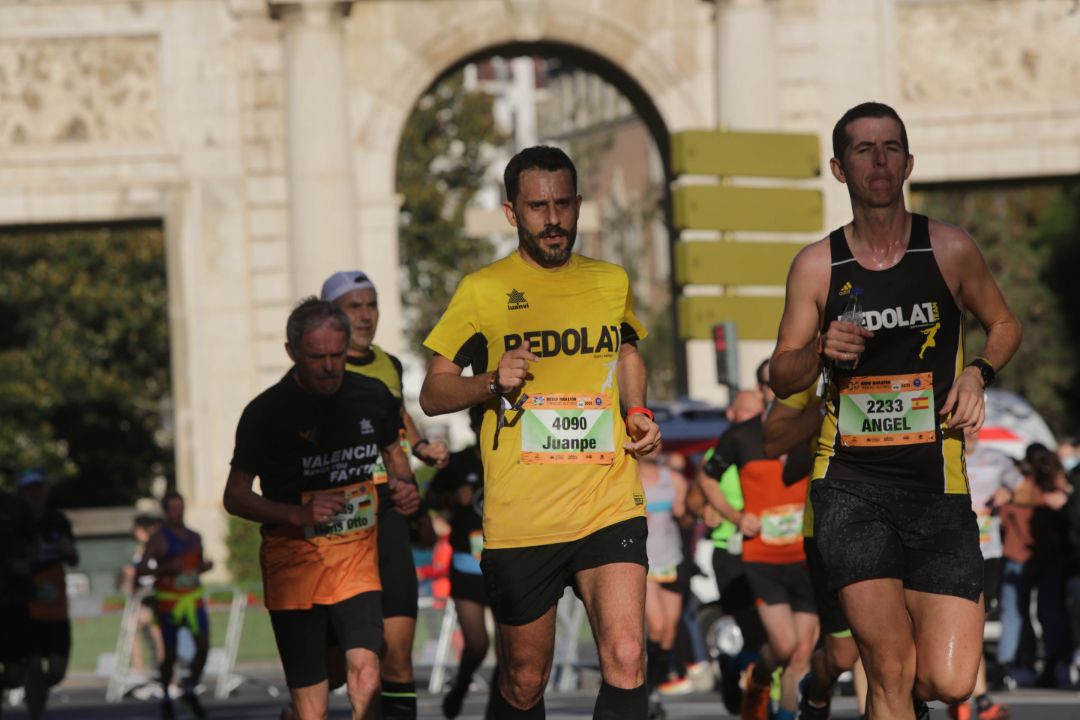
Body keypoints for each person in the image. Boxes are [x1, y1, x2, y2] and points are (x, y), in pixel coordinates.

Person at [769, 101, 1022, 719]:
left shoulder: (950, 248)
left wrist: (976, 371)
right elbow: (782, 374)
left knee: (950, 681)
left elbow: (1004, 324)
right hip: (851, 485)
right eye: (863, 149)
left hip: (938, 483)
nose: (878, 160)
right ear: (838, 168)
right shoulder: (817, 265)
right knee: (887, 665)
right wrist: (823, 351)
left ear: (909, 162)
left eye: (890, 148)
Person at [419, 145, 662, 719]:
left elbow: (626, 352)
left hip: (607, 501)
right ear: (512, 213)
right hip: (523, 517)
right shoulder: (483, 290)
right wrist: (489, 384)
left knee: (627, 656)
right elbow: (433, 393)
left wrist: (638, 411)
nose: (552, 220)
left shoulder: (610, 282)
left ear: (578, 205)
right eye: (537, 207)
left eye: (562, 205)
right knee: (526, 681)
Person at [223, 298, 420, 720]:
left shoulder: (372, 396)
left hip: (355, 559)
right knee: (312, 710)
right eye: (317, 358)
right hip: (295, 564)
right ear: (292, 352)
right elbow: (235, 495)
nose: (329, 367)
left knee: (367, 675)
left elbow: (392, 450)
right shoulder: (265, 413)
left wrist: (405, 488)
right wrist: (296, 514)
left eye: (336, 355)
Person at [319, 270, 447, 719]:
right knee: (334, 673)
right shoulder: (321, 370)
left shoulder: (388, 364)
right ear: (330, 313)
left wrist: (420, 452)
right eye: (354, 306)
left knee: (396, 658)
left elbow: (397, 423)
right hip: (339, 524)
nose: (366, 315)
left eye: (371, 304)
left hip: (388, 514)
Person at [699, 388, 817, 720]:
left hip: (807, 557)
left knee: (801, 655)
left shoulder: (815, 430)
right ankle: (754, 672)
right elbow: (706, 479)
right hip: (763, 559)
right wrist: (736, 517)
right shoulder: (742, 436)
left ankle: (785, 714)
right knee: (782, 647)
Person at [761, 383, 869, 720]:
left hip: (896, 519)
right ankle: (816, 690)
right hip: (827, 527)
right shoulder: (819, 383)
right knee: (841, 656)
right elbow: (781, 454)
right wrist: (824, 417)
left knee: (883, 646)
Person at [696, 390, 768, 715]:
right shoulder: (718, 453)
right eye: (746, 412)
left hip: (770, 549)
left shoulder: (769, 449)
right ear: (731, 415)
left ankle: (737, 667)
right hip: (730, 550)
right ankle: (751, 691)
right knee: (753, 629)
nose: (753, 419)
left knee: (773, 631)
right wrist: (710, 509)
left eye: (758, 412)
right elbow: (693, 501)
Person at [425, 405, 497, 719]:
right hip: (467, 563)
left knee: (513, 650)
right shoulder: (458, 463)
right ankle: (461, 685)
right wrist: (454, 500)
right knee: (478, 644)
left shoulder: (513, 459)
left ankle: (500, 707)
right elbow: (429, 499)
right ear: (473, 425)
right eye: (480, 423)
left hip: (506, 561)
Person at [945, 426, 1021, 719]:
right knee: (962, 625)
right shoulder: (942, 456)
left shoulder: (996, 459)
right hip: (950, 552)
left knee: (974, 625)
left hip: (987, 553)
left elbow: (1024, 489)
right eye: (964, 427)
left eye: (974, 426)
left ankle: (972, 697)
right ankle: (969, 695)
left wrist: (1009, 492)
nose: (970, 432)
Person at [997, 443, 1072, 689]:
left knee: (1015, 615)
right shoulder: (1055, 489)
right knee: (1050, 614)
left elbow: (1004, 519)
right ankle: (1054, 662)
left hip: (1018, 556)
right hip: (1046, 558)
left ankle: (1009, 666)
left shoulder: (1017, 488)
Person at [137, 491, 213, 719]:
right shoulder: (159, 538)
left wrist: (204, 567)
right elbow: (142, 570)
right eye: (172, 508)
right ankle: (166, 695)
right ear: (165, 510)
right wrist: (165, 568)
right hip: (169, 602)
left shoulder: (195, 536)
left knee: (203, 646)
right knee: (168, 653)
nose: (177, 512)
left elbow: (195, 565)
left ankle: (189, 686)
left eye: (181, 507)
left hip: (192, 600)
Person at [17, 470, 79, 720]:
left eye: (39, 488)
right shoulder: (15, 521)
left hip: (55, 606)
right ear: (21, 493)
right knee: (32, 666)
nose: (36, 494)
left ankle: (36, 695)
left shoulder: (57, 521)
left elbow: (74, 558)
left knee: (57, 669)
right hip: (26, 606)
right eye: (30, 489)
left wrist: (68, 550)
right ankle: (36, 714)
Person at [639, 446, 687, 719]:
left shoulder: (673, 479)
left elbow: (690, 511)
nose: (655, 446)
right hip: (645, 564)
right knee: (656, 627)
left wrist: (687, 509)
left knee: (669, 632)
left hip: (672, 559)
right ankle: (644, 689)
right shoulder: (630, 478)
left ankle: (653, 687)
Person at [0, 486, 35, 719]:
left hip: (13, 599)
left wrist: (26, 563)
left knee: (16, 675)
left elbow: (34, 543)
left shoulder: (14, 505)